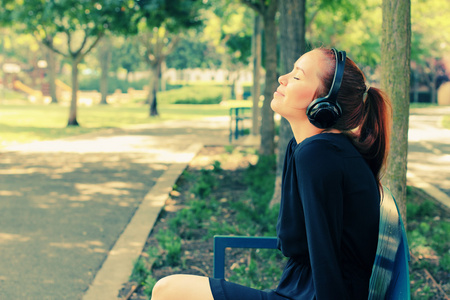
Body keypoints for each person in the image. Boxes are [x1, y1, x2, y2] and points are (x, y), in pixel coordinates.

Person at [150, 47, 392, 300]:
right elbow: (295, 242)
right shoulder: (311, 148)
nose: (283, 79)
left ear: (324, 104)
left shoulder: (320, 155)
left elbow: (325, 254)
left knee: (168, 291)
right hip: (300, 289)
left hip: (310, 294)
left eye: (297, 76)